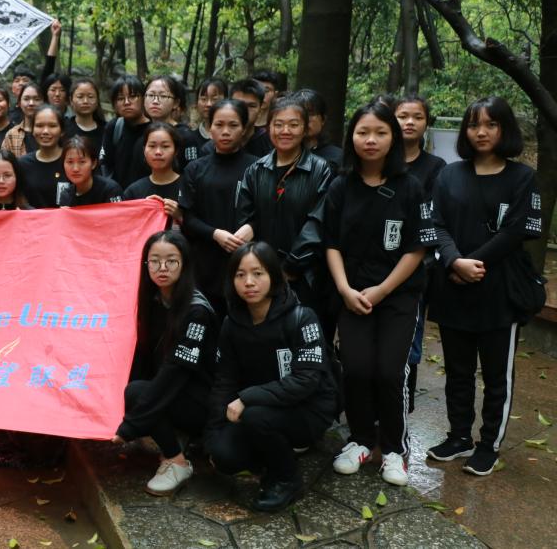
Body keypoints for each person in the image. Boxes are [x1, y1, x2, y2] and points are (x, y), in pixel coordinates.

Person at [426, 96, 542, 476]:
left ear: (504, 129)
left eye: (491, 124)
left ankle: (488, 443)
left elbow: (517, 230)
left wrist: (475, 263)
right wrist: (454, 261)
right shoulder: (448, 175)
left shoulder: (522, 178)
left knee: (496, 377)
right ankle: (458, 435)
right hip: (453, 288)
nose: (481, 131)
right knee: (458, 372)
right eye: (474, 124)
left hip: (500, 293)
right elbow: (436, 224)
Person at [324, 102, 437, 487]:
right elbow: (331, 243)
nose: (370, 140)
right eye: (362, 132)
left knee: (390, 371)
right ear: (351, 137)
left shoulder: (410, 187)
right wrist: (344, 289)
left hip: (399, 296)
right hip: (352, 293)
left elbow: (417, 248)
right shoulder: (341, 186)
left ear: (393, 138)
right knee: (355, 369)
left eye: (380, 132)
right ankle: (359, 440)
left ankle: (393, 448)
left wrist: (383, 289)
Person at [205, 242, 336, 512]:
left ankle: (287, 479)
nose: (249, 282)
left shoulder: (302, 317)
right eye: (240, 275)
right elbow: (224, 380)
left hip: (308, 408)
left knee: (256, 417)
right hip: (261, 406)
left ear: (274, 276)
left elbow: (306, 381)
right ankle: (269, 452)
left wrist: (246, 398)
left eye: (258, 273)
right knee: (224, 455)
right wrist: (213, 434)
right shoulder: (231, 323)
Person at [114, 231, 219, 496]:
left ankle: (177, 462)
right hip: (175, 392)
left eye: (171, 260)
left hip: (203, 400)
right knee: (131, 384)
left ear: (184, 264)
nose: (162, 268)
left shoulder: (197, 310)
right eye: (155, 261)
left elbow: (177, 371)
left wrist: (131, 424)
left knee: (136, 393)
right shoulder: (154, 300)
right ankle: (170, 434)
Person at [235, 97, 334, 324]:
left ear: (305, 129)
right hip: (260, 274)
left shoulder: (321, 170)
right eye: (278, 124)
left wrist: (290, 267)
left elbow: (318, 222)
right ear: (268, 127)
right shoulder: (255, 170)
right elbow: (246, 217)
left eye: (293, 124)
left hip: (305, 275)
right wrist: (262, 268)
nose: (285, 131)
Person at [394, 94, 447, 411]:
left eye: (417, 117)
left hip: (417, 266)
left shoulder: (435, 167)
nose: (409, 122)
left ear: (427, 123)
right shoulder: (378, 160)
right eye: (402, 116)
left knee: (409, 337)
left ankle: (404, 406)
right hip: (375, 265)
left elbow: (433, 219)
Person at [180, 99, 257, 315]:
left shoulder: (258, 167)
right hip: (204, 264)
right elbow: (187, 218)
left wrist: (252, 227)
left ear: (244, 129)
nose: (225, 132)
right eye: (219, 124)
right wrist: (215, 234)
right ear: (209, 127)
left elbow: (268, 211)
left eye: (233, 125)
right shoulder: (195, 169)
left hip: (246, 262)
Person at [123, 122, 182, 224]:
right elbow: (125, 227)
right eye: (152, 146)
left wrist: (180, 216)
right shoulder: (133, 191)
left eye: (165, 146)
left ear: (176, 151)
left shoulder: (189, 187)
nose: (158, 152)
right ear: (144, 150)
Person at [99, 75, 151, 188]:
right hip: (118, 195)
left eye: (133, 96)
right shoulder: (114, 127)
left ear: (143, 98)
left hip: (148, 195)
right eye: (120, 98)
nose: (126, 102)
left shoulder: (154, 130)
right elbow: (105, 164)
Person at [17, 105, 69, 208]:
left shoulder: (72, 161)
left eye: (52, 126)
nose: (45, 131)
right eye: (39, 126)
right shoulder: (22, 164)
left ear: (62, 131)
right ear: (32, 130)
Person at [142, 75, 197, 168]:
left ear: (176, 103)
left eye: (163, 96)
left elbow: (193, 170)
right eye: (151, 95)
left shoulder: (185, 136)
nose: (155, 101)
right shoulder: (143, 133)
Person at [58, 136, 122, 206]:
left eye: (82, 162)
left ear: (93, 163)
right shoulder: (66, 195)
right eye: (70, 162)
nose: (75, 169)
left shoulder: (110, 190)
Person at [292, 89, 343, 171]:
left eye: (310, 114)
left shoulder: (337, 157)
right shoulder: (281, 155)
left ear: (323, 120)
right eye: (300, 114)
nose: (305, 120)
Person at [230, 78, 274, 157]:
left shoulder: (271, 144)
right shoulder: (215, 144)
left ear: (260, 110)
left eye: (251, 106)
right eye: (239, 105)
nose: (245, 110)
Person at [185, 78, 227, 158]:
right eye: (203, 99)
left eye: (215, 99)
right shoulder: (190, 137)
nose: (208, 104)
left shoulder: (233, 136)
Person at [65, 78, 107, 155]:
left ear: (97, 100)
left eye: (90, 97)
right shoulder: (63, 128)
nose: (85, 101)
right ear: (71, 100)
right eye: (80, 97)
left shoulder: (107, 130)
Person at [3, 82, 43, 158]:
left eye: (36, 99)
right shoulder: (11, 135)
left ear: (43, 102)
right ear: (19, 103)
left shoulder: (50, 132)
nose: (31, 103)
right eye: (26, 99)